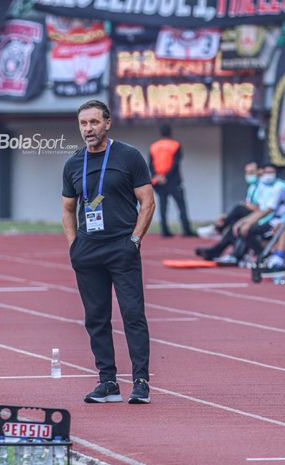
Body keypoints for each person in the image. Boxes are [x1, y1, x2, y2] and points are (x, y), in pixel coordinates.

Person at [62, 100, 155, 404]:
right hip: (88, 251)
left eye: (93, 122)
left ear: (107, 123)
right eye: (83, 124)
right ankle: (108, 382)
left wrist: (135, 239)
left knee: (132, 315)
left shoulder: (128, 156)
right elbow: (67, 207)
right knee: (96, 318)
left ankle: (140, 382)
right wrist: (73, 245)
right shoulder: (74, 163)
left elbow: (148, 201)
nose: (88, 129)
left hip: (121, 248)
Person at [148, 125, 195, 237]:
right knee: (181, 206)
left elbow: (150, 164)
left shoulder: (154, 146)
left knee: (163, 206)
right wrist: (167, 177)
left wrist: (157, 176)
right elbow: (176, 164)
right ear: (170, 132)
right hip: (173, 180)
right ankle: (186, 230)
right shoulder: (175, 145)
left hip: (158, 181)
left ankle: (164, 230)